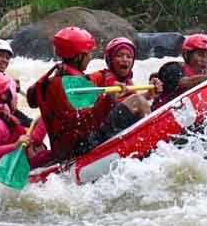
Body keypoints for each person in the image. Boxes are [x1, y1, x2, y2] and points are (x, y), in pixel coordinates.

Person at [27, 27, 156, 163]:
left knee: (136, 101)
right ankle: (153, 145)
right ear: (79, 56)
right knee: (137, 101)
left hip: (66, 147)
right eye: (88, 53)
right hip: (80, 147)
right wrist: (110, 99)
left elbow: (32, 100)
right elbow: (83, 121)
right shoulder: (70, 83)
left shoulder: (51, 80)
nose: (90, 57)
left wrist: (146, 95)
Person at [0, 72, 52, 170]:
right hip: (6, 170)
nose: (16, 97)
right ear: (4, 96)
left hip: (22, 164)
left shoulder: (6, 116)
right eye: (14, 92)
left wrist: (47, 115)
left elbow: (34, 140)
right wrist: (15, 146)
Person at [151, 34, 207, 109]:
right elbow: (187, 82)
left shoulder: (206, 73)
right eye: (200, 55)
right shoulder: (172, 68)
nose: (204, 60)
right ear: (186, 55)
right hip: (160, 115)